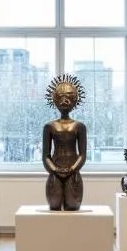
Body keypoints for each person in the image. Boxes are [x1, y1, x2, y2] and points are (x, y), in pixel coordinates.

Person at [42, 74, 87, 211]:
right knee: (54, 205)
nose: (65, 101)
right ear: (54, 99)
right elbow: (45, 155)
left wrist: (72, 169)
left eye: (69, 96)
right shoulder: (50, 126)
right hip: (55, 172)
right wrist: (55, 170)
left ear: (75, 99)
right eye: (60, 97)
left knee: (73, 206)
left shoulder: (79, 126)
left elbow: (82, 155)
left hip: (73, 172)